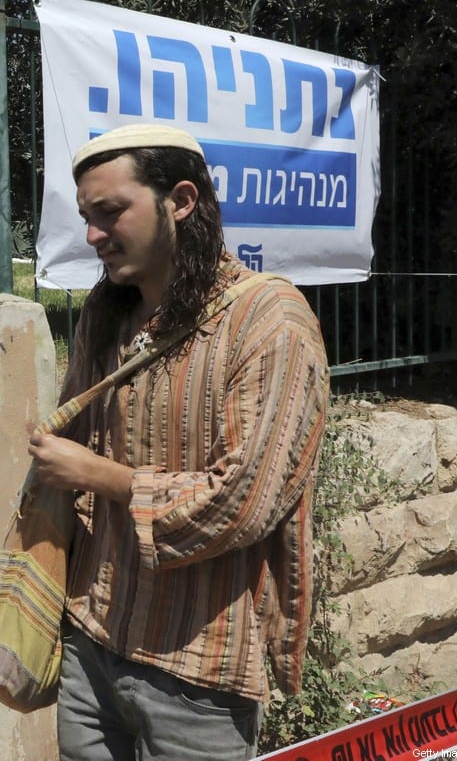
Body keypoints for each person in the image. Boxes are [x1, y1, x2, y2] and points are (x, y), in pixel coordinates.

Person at [26, 123, 329, 759]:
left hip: (197, 673)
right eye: (85, 217)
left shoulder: (269, 321)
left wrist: (98, 476)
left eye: (110, 212)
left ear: (181, 201)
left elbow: (243, 501)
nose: (93, 236)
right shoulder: (103, 315)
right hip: (90, 640)